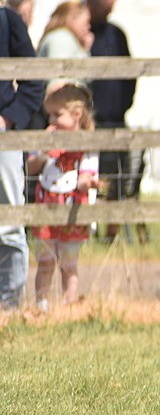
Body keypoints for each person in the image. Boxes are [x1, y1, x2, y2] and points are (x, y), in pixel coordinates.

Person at [25, 84, 98, 310]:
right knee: (45, 262)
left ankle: (69, 305)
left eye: (57, 114)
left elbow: (86, 174)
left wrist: (87, 184)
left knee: (69, 264)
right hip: (46, 209)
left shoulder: (85, 144)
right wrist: (43, 152)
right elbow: (30, 167)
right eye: (49, 115)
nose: (51, 120)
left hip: (72, 211)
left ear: (76, 114)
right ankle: (42, 306)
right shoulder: (47, 140)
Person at [0, 0, 46, 312]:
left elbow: (33, 80)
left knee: (9, 222)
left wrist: (8, 119)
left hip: (3, 136)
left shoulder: (8, 21)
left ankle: (9, 305)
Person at [85, 0, 139, 243]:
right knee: (90, 176)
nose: (109, 12)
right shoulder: (82, 35)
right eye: (105, 7)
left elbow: (130, 74)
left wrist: (124, 104)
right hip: (89, 122)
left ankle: (112, 236)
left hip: (116, 119)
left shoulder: (117, 34)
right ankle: (86, 232)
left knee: (119, 177)